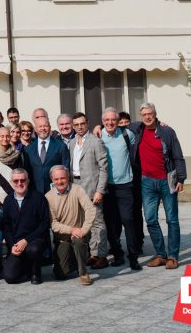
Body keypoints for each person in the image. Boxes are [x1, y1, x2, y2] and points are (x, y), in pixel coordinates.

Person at [130, 102, 186, 270]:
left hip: (167, 180)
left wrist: (181, 179)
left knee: (172, 219)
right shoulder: (138, 129)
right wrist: (98, 127)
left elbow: (178, 156)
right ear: (141, 116)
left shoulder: (167, 132)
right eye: (144, 114)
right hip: (147, 182)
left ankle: (173, 256)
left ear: (155, 114)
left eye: (150, 114)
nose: (147, 117)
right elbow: (119, 123)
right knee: (151, 219)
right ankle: (161, 254)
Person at [98, 107, 141, 270]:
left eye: (113, 120)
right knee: (111, 223)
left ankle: (133, 257)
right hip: (107, 187)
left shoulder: (126, 135)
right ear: (102, 122)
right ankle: (117, 254)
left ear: (118, 121)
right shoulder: (98, 136)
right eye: (106, 120)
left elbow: (141, 129)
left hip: (125, 185)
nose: (110, 123)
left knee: (128, 221)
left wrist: (161, 124)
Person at [69, 111, 109, 269]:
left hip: (92, 187)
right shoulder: (72, 142)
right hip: (77, 186)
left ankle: (102, 255)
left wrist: (100, 190)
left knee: (97, 221)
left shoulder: (95, 142)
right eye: (76, 125)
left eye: (82, 124)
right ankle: (93, 254)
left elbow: (104, 168)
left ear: (87, 124)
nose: (80, 127)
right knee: (84, 221)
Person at [47, 165, 95, 286]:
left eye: (63, 178)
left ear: (68, 177)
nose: (60, 181)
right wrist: (71, 230)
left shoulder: (77, 189)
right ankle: (75, 257)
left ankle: (83, 272)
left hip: (80, 234)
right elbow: (53, 224)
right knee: (60, 274)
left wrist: (83, 230)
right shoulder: (48, 197)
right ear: (52, 180)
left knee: (78, 241)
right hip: (62, 239)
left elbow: (90, 209)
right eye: (56, 179)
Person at [1, 168, 50, 285]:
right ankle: (26, 268)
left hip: (34, 241)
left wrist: (27, 240)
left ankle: (35, 272)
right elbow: (6, 226)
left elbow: (44, 224)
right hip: (16, 243)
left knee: (33, 250)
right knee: (9, 277)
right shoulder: (8, 200)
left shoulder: (38, 198)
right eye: (16, 181)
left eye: (22, 180)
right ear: (11, 182)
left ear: (28, 181)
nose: (19, 183)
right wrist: (12, 244)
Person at [24, 116, 70, 195]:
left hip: (56, 191)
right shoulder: (28, 149)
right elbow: (27, 171)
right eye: (40, 126)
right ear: (35, 129)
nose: (43, 128)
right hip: (35, 191)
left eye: (45, 126)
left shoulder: (60, 146)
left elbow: (66, 169)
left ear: (50, 128)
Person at [0, 127, 26, 205]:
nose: (5, 138)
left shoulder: (17, 154)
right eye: (2, 136)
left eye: (7, 136)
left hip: (16, 193)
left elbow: (21, 174)